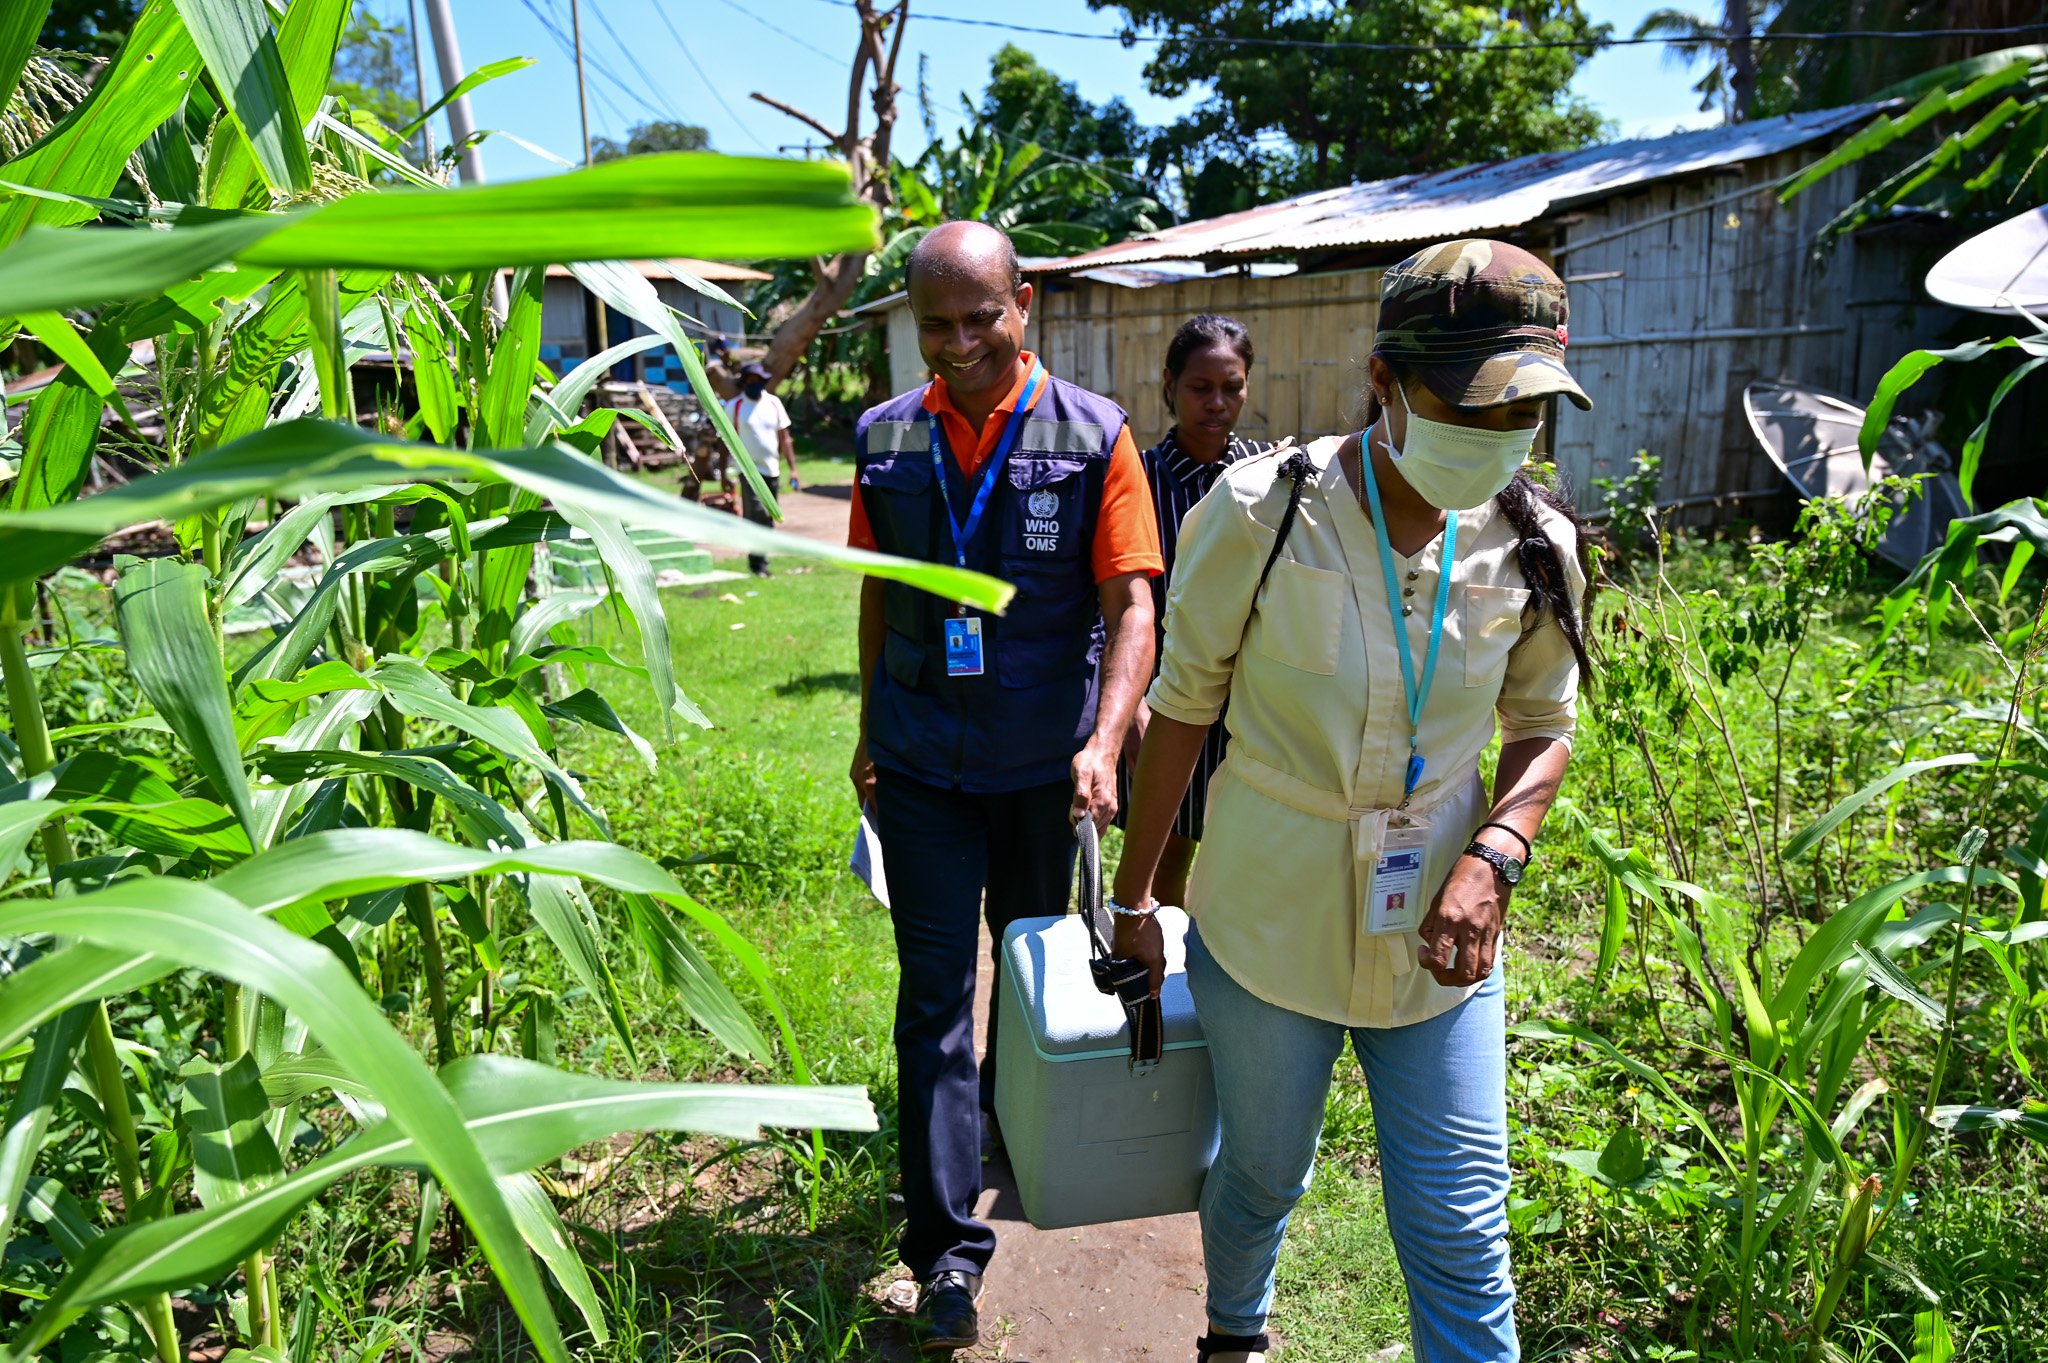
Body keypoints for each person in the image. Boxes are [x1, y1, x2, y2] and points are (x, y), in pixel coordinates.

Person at [1111, 240, 1598, 1363]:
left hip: (1439, 936)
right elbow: (1181, 710)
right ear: (1383, 381)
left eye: (1521, 411)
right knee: (1261, 1173)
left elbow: (1542, 724)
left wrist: (1495, 854)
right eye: (1466, 405)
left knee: (1462, 1225)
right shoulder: (1262, 512)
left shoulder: (1535, 545)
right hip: (1267, 919)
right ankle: (1234, 1331)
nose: (1495, 434)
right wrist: (1135, 901)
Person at [846, 220, 1163, 1352]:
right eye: (935, 324)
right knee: (932, 998)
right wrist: (869, 727)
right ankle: (944, 1252)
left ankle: (1005, 1124)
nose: (959, 342)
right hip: (921, 761)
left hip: (1042, 765)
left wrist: (1106, 741)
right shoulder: (884, 436)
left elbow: (1132, 605)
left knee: (1025, 977)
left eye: (980, 317)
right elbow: (878, 591)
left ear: (1022, 304)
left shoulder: (1094, 433)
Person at [1115, 314, 1271, 908]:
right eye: (1200, 388)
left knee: (1249, 852)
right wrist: (1132, 707)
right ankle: (1155, 953)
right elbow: (1114, 601)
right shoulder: (1138, 480)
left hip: (1256, 700)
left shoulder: (1271, 476)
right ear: (1170, 385)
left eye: (1232, 387)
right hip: (1168, 697)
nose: (1217, 403)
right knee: (1167, 850)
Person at [723, 361, 798, 577]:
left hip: (771, 469)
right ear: (744, 383)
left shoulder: (773, 403)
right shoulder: (735, 406)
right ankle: (757, 563)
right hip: (748, 471)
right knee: (757, 512)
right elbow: (724, 440)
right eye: (751, 381)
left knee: (768, 516)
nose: (755, 384)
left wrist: (793, 469)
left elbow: (785, 437)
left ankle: (761, 559)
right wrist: (724, 470)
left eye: (758, 380)